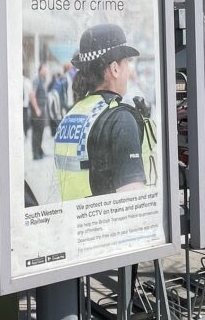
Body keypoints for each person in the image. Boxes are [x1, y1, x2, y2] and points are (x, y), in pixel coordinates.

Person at [53, 23, 146, 199]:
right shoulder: (120, 119)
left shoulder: (71, 116)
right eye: (127, 62)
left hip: (74, 224)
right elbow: (134, 202)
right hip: (104, 225)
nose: (129, 70)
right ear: (115, 69)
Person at [30, 64, 48, 160]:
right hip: (37, 110)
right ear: (40, 70)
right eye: (44, 69)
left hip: (42, 109)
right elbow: (32, 95)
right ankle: (35, 153)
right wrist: (36, 109)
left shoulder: (43, 80)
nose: (46, 71)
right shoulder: (36, 80)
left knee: (41, 131)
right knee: (36, 132)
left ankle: (39, 150)